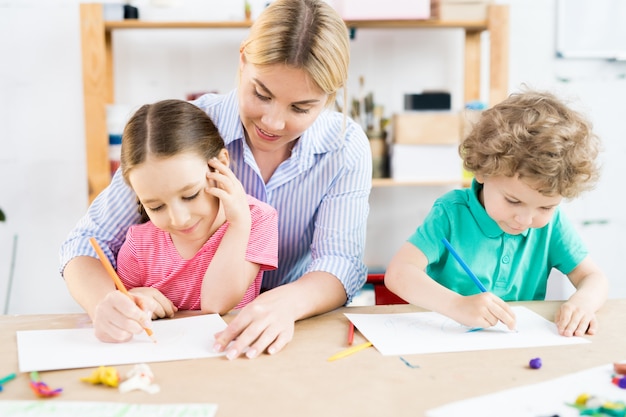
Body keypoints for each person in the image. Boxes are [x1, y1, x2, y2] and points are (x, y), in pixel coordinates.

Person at [60, 0, 371, 357]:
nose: (273, 122)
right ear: (242, 60)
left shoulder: (345, 147)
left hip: (289, 330)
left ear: (331, 97)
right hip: (178, 335)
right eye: (261, 94)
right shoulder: (190, 128)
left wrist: (287, 303)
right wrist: (107, 303)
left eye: (301, 108)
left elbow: (340, 261)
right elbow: (87, 241)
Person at [385, 89, 608, 337]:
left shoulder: (551, 225)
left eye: (545, 207)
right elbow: (399, 273)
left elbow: (594, 277)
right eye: (513, 201)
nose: (525, 220)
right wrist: (457, 305)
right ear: (481, 170)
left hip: (514, 348)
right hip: (446, 342)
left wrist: (583, 303)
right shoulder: (450, 213)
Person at [116, 99, 278, 323]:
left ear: (220, 163)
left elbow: (216, 304)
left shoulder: (257, 220)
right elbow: (119, 309)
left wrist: (238, 224)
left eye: (190, 195)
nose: (179, 219)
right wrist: (132, 300)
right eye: (156, 206)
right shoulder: (138, 247)